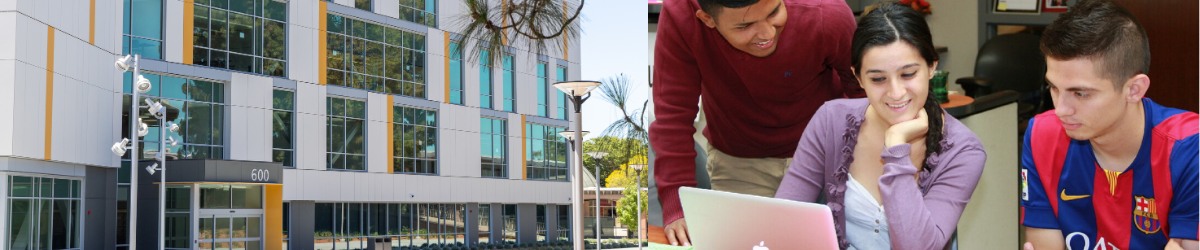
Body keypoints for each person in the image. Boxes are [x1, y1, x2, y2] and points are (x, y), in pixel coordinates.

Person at [774, 2, 986, 249]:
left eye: (908, 74)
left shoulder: (963, 151)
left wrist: (896, 146)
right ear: (858, 77)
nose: (896, 93)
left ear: (931, 67)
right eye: (878, 79)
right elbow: (785, 218)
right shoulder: (831, 120)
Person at [650, 0, 864, 245]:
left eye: (774, 12)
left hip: (828, 156)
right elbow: (673, 115)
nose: (767, 33)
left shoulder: (827, 11)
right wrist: (677, 207)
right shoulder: (680, 13)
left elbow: (862, 93)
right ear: (707, 19)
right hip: (739, 161)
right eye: (745, 26)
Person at [1019, 0, 1199, 249]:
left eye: (1081, 93)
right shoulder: (1043, 134)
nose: (1061, 110)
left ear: (1134, 89)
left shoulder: (1189, 148)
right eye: (1054, 88)